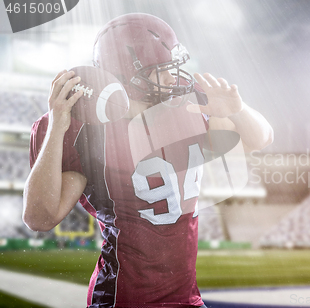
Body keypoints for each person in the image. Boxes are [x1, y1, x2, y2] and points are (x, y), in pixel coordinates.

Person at [22, 13, 273, 308]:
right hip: (124, 299)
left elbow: (261, 138)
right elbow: (40, 217)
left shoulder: (191, 103)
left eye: (173, 67)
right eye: (160, 70)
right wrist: (56, 128)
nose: (172, 77)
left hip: (186, 298)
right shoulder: (86, 130)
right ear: (126, 74)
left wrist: (236, 109)